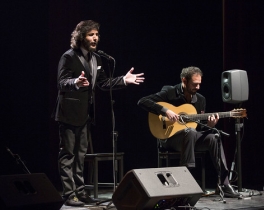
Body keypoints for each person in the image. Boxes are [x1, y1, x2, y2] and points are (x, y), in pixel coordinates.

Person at [54, 20, 144, 207]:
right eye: (91, 35)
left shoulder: (97, 58)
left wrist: (123, 80)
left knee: (81, 155)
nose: (95, 38)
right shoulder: (68, 57)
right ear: (81, 37)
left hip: (86, 115)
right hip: (69, 113)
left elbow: (103, 84)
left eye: (97, 34)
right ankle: (69, 194)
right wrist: (75, 83)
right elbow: (62, 82)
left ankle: (80, 192)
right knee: (68, 155)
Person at [137, 66, 240, 198]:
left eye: (199, 84)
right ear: (184, 80)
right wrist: (165, 111)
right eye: (194, 84)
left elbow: (200, 128)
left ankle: (224, 184)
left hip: (190, 137)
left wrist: (209, 125)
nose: (197, 87)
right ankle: (187, 180)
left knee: (215, 136)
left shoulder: (200, 100)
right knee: (190, 131)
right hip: (169, 139)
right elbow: (142, 101)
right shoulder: (170, 92)